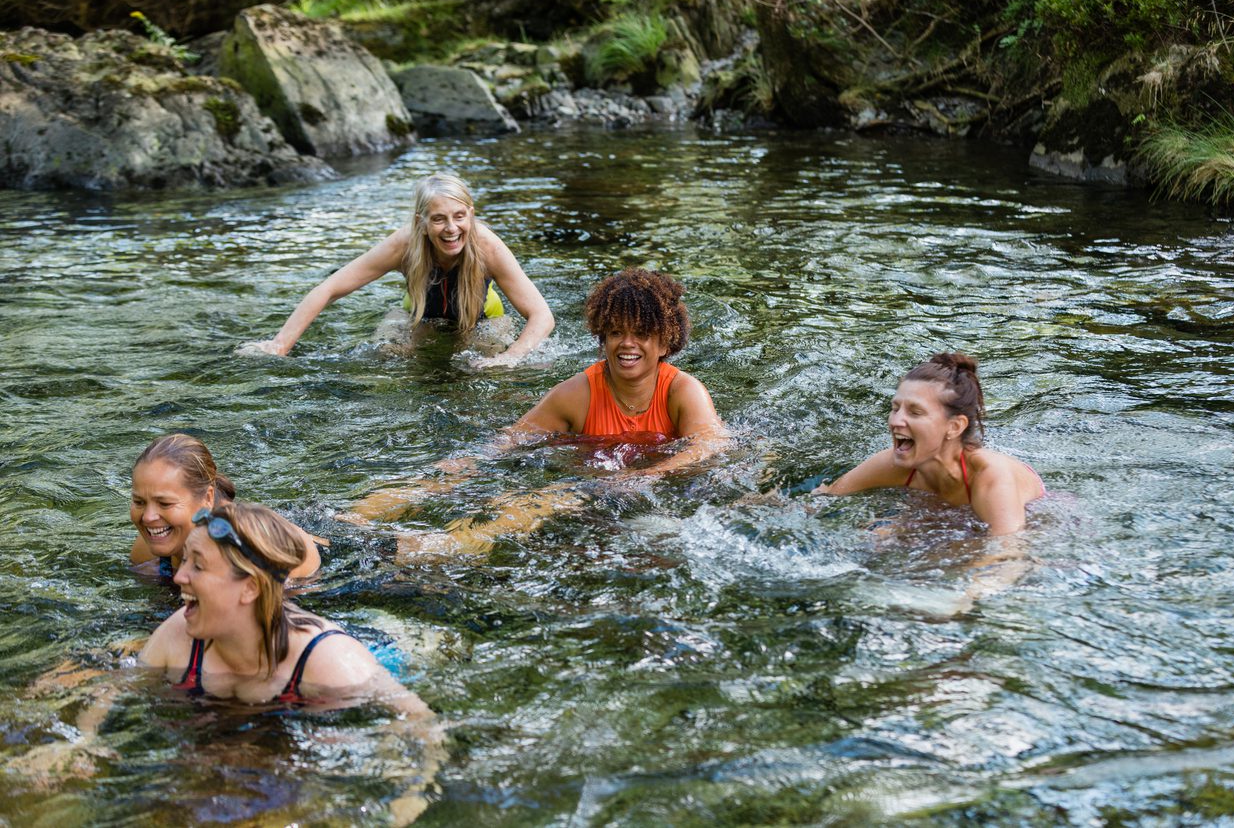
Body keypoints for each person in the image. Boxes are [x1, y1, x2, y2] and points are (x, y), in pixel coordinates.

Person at [14, 501, 442, 823]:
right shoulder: (179, 632)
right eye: (184, 562)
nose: (179, 577)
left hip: (372, 648)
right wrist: (80, 741)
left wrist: (410, 793)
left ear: (249, 588)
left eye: (197, 566)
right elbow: (117, 687)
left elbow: (420, 725)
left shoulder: (331, 663)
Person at [351, 267, 728, 557]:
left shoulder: (683, 391)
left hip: (673, 497)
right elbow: (507, 441)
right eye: (615, 333)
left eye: (641, 333)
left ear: (665, 342)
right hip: (594, 490)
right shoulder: (576, 394)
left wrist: (638, 481)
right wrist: (446, 473)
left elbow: (707, 449)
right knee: (524, 501)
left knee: (560, 500)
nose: (627, 344)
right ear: (603, 338)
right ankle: (366, 527)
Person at [238, 173, 554, 366]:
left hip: (484, 320)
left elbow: (542, 316)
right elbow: (329, 289)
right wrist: (279, 345)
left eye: (459, 216)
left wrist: (510, 358)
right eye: (438, 219)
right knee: (388, 356)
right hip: (417, 315)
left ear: (470, 215)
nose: (451, 229)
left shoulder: (487, 247)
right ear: (421, 222)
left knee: (482, 366)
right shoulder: (403, 245)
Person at [813, 352, 1044, 536]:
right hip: (945, 516)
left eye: (915, 412)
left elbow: (1008, 557)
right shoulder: (896, 463)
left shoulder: (991, 476)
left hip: (1036, 524)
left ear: (954, 427)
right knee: (877, 538)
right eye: (895, 408)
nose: (895, 421)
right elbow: (824, 498)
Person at [130, 433, 321, 579]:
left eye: (164, 503)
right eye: (139, 502)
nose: (148, 517)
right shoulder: (147, 550)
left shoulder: (256, 559)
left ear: (208, 497)